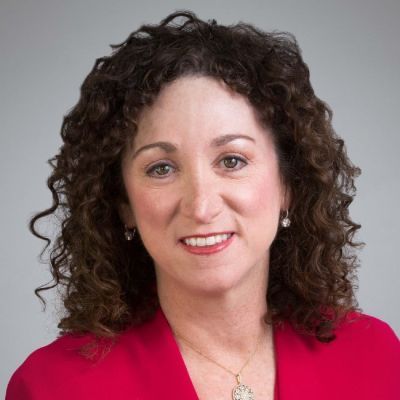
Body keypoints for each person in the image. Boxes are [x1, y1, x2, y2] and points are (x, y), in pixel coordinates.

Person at [6, 10, 399, 400]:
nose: (202, 206)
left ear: (288, 185)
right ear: (123, 202)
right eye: (161, 168)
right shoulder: (52, 387)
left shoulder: (376, 357)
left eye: (232, 161)